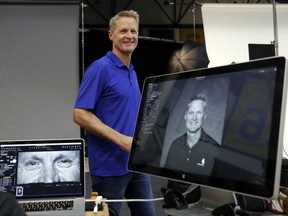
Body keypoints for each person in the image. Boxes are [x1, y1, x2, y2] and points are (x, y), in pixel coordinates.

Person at [73, 10, 156, 216]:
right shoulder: (99, 69)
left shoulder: (132, 71)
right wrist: (122, 141)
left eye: (133, 31)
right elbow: (80, 114)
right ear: (111, 35)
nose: (129, 35)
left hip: (136, 166)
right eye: (123, 31)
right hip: (108, 171)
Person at [165, 94, 221, 176]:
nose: (194, 117)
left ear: (204, 116)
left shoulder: (214, 149)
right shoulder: (175, 144)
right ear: (185, 116)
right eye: (191, 112)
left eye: (198, 112)